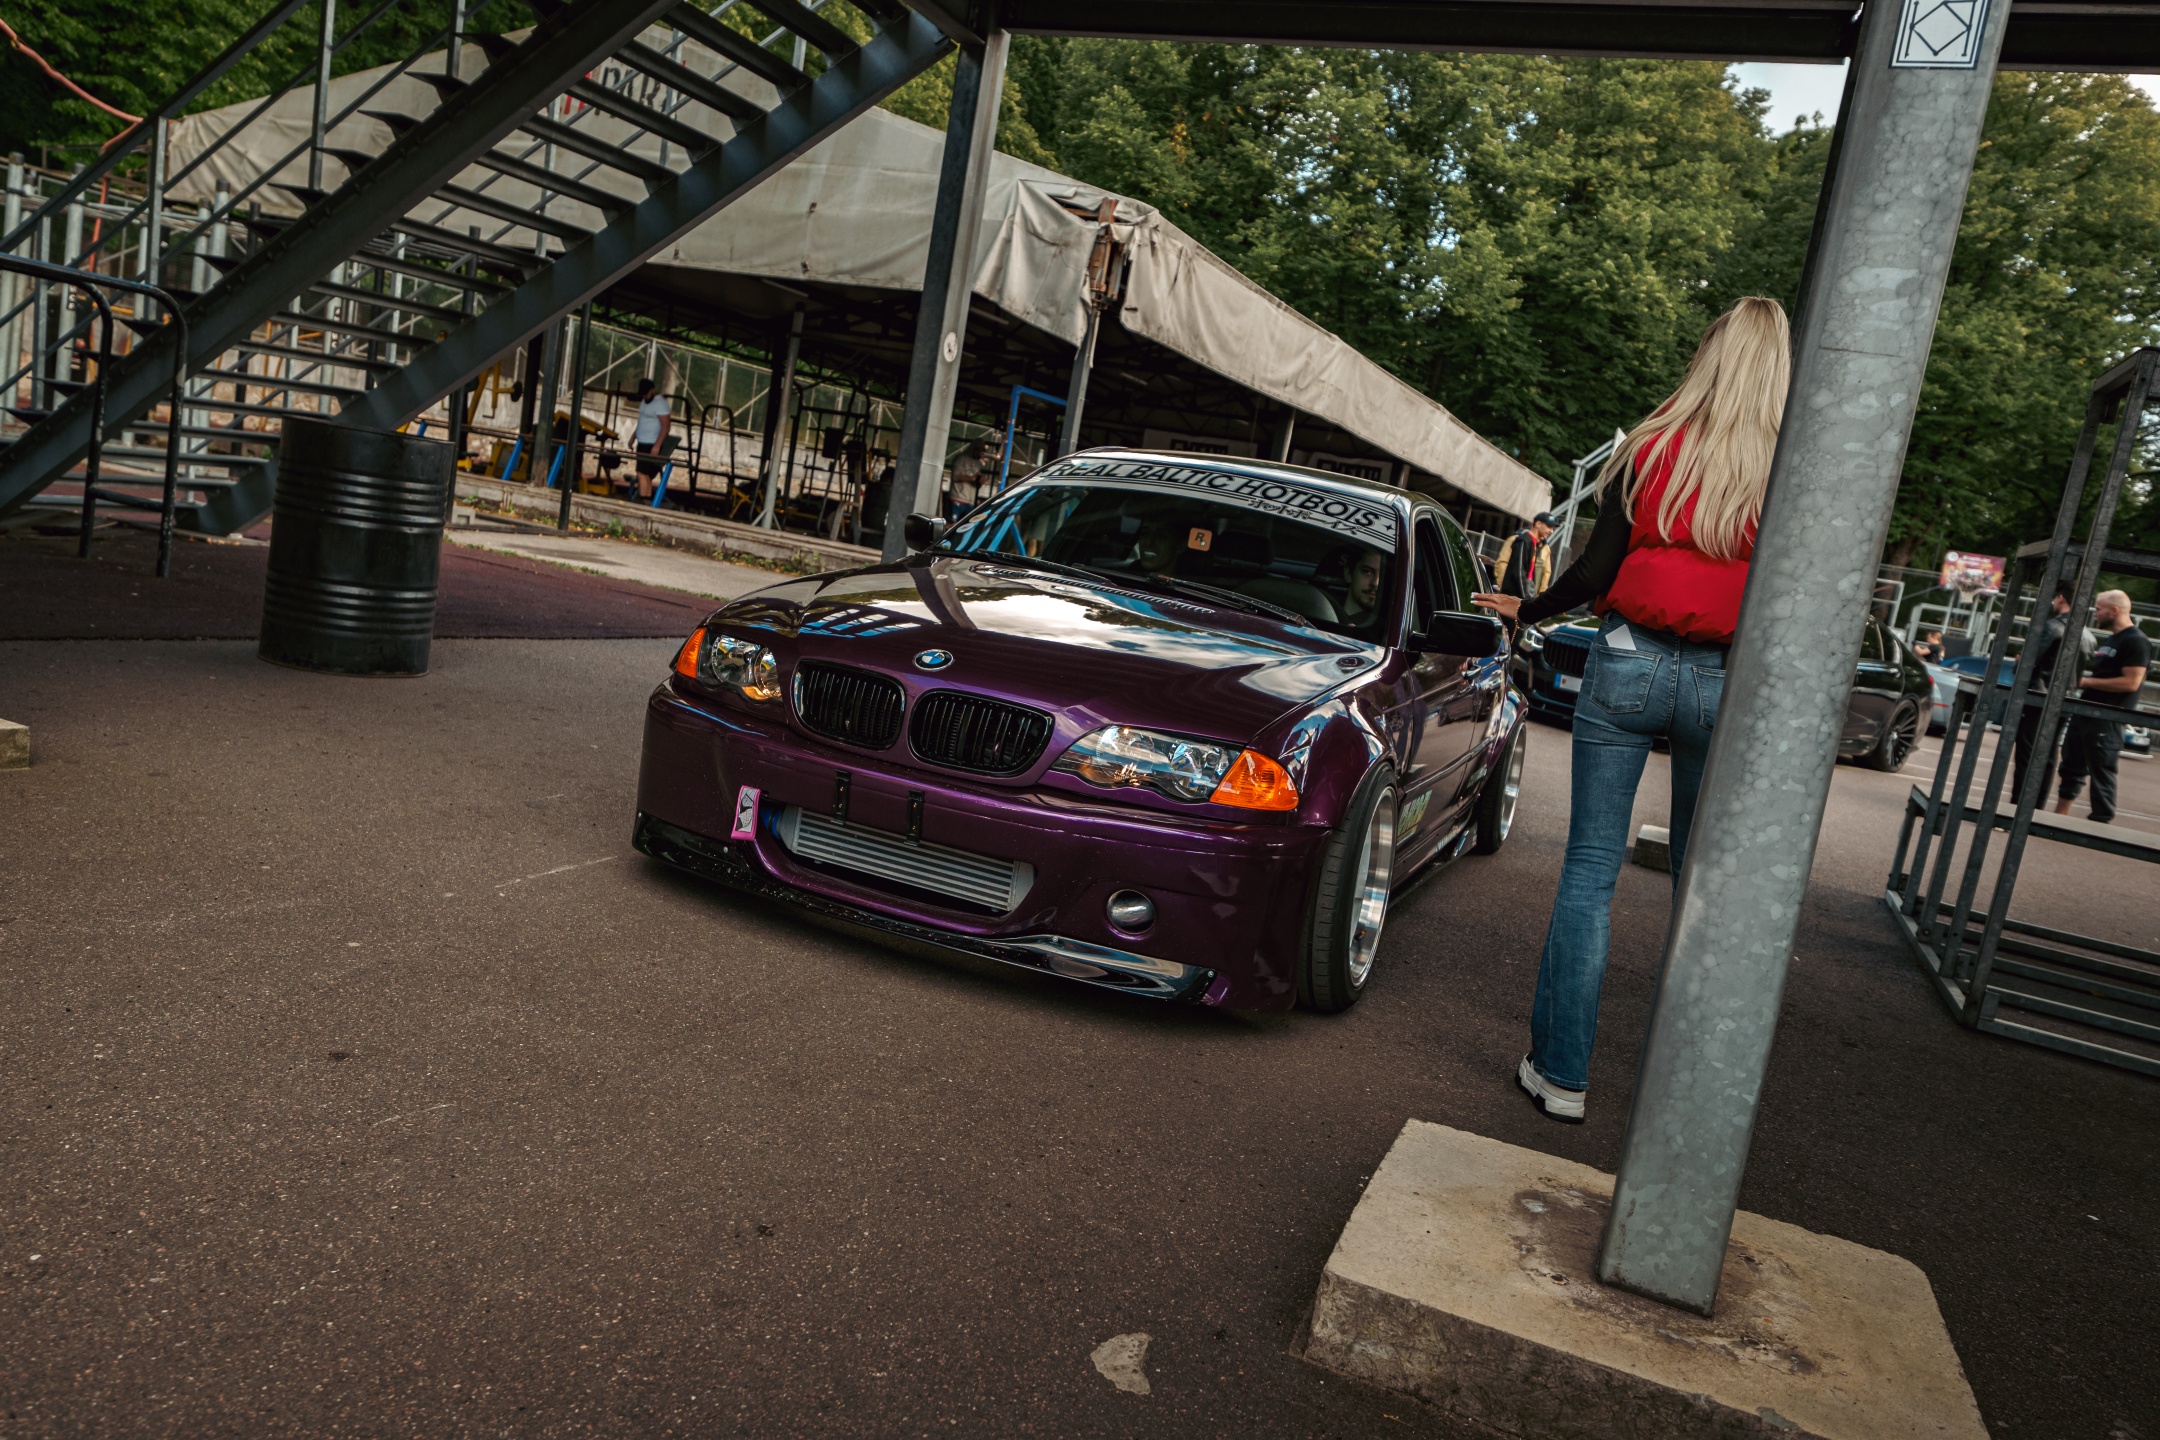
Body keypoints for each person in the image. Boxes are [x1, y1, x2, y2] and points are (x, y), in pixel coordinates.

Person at [1471, 295, 1790, 1124]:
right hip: (1725, 679)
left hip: (1626, 660)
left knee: (1589, 871)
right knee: (1701, 882)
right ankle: (1683, 1099)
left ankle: (1561, 1076)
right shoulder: (1793, 465)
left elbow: (1593, 574)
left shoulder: (1648, 447)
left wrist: (1527, 608)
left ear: (1709, 355)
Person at [2056, 590, 2150, 824]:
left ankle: (2100, 821)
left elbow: (2131, 682)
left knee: (2102, 769)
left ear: (2114, 610)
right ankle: (2059, 817)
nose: (2095, 613)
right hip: (2086, 710)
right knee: (2071, 765)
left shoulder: (2136, 640)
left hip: (2107, 715)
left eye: (2099, 609)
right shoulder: (2112, 639)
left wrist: (2084, 682)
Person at [2011, 582, 2082, 806]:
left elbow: (2028, 663)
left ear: (2060, 597)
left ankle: (2018, 807)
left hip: (2038, 698)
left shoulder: (2051, 627)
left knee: (2027, 755)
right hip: (2064, 700)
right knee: (2048, 755)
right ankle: (2037, 807)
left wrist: (2019, 661)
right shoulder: (2086, 634)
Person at [1492, 512, 1557, 600]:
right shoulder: (1521, 541)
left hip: (1529, 595)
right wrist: (1504, 588)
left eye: (1553, 528)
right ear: (1538, 524)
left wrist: (1539, 598)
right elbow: (1512, 568)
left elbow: (1546, 573)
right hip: (1515, 596)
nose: (1551, 531)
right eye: (1549, 527)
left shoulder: (1543, 547)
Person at [631, 378, 671, 501]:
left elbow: (666, 426)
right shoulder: (644, 402)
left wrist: (657, 445)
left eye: (647, 393)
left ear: (652, 390)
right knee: (645, 474)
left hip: (651, 442)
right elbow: (641, 421)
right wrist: (633, 437)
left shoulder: (660, 403)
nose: (645, 396)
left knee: (641, 473)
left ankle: (643, 498)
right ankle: (647, 498)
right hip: (642, 441)